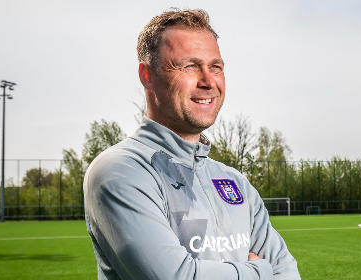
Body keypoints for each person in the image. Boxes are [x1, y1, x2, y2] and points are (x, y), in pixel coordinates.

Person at [84, 8, 300, 280]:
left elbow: (288, 272)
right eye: (189, 66)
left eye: (216, 67)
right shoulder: (120, 171)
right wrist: (260, 272)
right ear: (147, 76)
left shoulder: (234, 181)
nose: (208, 81)